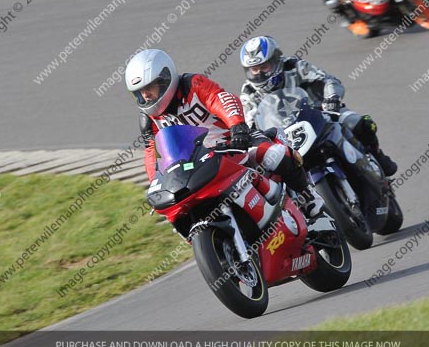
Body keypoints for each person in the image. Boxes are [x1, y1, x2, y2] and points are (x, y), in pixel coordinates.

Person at [125, 48, 332, 232]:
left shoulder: (192, 84)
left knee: (272, 154)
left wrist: (237, 127)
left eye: (149, 88)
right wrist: (156, 181)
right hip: (197, 165)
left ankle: (309, 199)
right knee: (179, 210)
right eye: (140, 93)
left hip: (233, 143)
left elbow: (221, 99)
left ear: (164, 80)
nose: (146, 96)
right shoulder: (149, 120)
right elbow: (153, 153)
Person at [238, 35, 398, 177]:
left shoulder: (295, 66)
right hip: (286, 136)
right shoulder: (248, 92)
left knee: (361, 123)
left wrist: (332, 98)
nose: (260, 74)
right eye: (254, 69)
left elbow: (328, 80)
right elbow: (249, 121)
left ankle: (378, 156)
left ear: (276, 61)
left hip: (322, 113)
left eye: (264, 67)